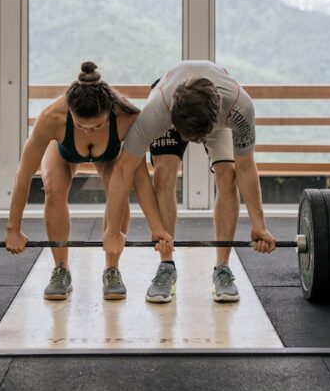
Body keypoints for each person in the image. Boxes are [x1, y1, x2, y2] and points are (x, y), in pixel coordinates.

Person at [102, 60, 276, 304]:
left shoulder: (240, 108)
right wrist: (112, 230)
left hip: (215, 111)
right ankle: (166, 266)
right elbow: (123, 171)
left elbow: (246, 168)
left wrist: (259, 225)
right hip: (171, 104)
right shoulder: (157, 109)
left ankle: (222, 268)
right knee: (163, 174)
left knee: (228, 176)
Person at [5, 61, 161, 301]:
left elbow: (140, 178)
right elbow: (23, 175)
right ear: (69, 112)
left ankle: (112, 268)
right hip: (64, 151)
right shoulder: (51, 117)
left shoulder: (127, 118)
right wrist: (13, 229)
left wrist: (157, 228)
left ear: (110, 112)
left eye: (97, 126)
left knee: (117, 189)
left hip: (109, 154)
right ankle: (61, 269)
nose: (88, 130)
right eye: (80, 125)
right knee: (54, 189)